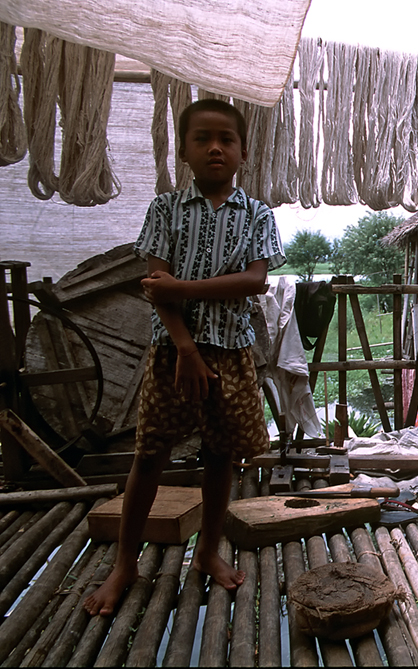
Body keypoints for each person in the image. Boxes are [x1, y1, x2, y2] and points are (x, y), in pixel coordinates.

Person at [84, 99, 285, 616]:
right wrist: (186, 348)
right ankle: (125, 564)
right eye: (202, 139)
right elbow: (156, 289)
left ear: (243, 150)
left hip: (233, 353)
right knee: (148, 455)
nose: (215, 147)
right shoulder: (165, 210)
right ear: (184, 151)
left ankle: (208, 553)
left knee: (220, 456)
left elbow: (254, 280)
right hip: (173, 354)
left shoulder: (258, 214)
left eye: (226, 139)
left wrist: (182, 287)